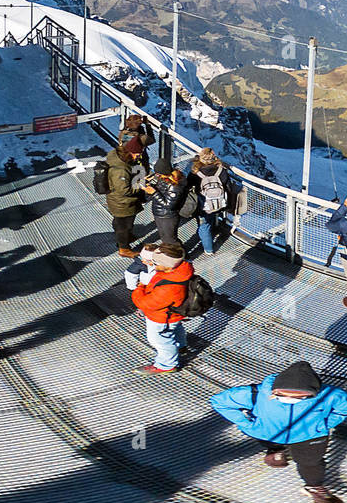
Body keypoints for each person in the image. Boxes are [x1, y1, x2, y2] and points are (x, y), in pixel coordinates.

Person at [209, 360, 347, 503]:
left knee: (311, 462)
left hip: (308, 435)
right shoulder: (256, 393)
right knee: (273, 443)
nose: (288, 399)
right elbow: (219, 402)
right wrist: (246, 423)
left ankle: (313, 486)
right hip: (267, 433)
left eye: (299, 398)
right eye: (281, 395)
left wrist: (325, 424)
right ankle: (276, 450)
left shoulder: (331, 395)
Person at [126, 240, 198, 374]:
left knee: (159, 339)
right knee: (176, 329)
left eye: (155, 262)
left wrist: (140, 287)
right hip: (174, 314)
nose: (151, 264)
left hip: (161, 317)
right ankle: (181, 347)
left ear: (166, 266)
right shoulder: (180, 270)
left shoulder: (170, 287)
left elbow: (146, 303)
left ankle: (166, 365)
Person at [186, 150, 245, 255]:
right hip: (219, 203)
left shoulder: (196, 173)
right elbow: (228, 187)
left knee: (204, 226)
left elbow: (188, 185)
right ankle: (212, 228)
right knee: (210, 219)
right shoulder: (221, 171)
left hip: (202, 204)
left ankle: (208, 249)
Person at [99, 132, 147, 252]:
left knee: (121, 223)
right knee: (125, 226)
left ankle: (124, 239)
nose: (138, 156)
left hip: (117, 200)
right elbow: (124, 190)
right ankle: (124, 248)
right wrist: (141, 186)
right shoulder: (121, 169)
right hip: (122, 203)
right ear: (130, 152)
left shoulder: (117, 157)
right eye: (137, 154)